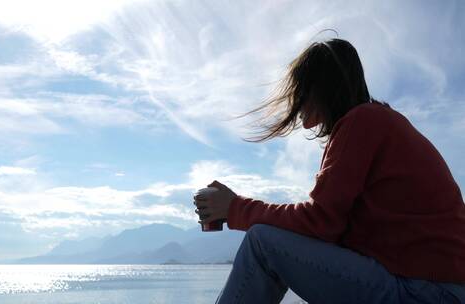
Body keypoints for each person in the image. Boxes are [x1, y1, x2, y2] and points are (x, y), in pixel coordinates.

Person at [193, 38, 465, 303]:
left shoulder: (363, 122)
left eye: (299, 93)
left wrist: (235, 208)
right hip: (437, 286)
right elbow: (330, 229)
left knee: (262, 242)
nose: (297, 108)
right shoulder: (380, 123)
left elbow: (320, 222)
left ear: (319, 89)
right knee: (269, 240)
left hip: (426, 291)